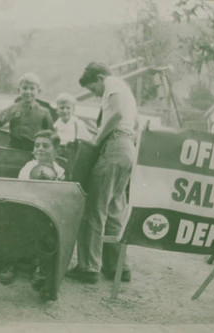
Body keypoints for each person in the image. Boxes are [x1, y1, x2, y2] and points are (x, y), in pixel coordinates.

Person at [66, 62, 138, 284]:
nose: (94, 94)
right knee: (115, 209)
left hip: (113, 147)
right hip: (127, 148)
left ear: (99, 78)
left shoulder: (112, 83)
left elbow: (115, 113)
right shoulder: (125, 89)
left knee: (94, 208)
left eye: (92, 88)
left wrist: (96, 141)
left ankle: (89, 267)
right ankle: (117, 266)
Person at [0, 130, 64, 287]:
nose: (40, 149)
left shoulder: (60, 171)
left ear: (56, 150)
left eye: (45, 146)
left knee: (49, 233)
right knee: (14, 223)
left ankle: (39, 267)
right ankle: (11, 263)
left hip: (47, 212)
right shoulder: (28, 166)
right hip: (27, 208)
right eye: (37, 145)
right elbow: (19, 189)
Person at [0, 73, 54, 151]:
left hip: (34, 148)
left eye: (32, 88)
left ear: (39, 91)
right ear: (19, 90)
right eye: (25, 88)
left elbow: (50, 133)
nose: (28, 91)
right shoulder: (13, 108)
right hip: (14, 147)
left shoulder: (44, 112)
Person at [53, 92, 92, 158]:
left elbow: (88, 142)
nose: (65, 111)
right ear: (57, 110)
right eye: (62, 108)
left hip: (75, 158)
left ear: (73, 110)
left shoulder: (78, 124)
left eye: (68, 108)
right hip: (59, 158)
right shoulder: (55, 126)